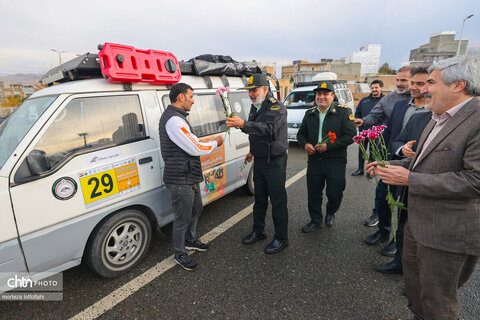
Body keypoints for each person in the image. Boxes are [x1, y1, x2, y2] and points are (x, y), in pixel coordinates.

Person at [369, 55, 480, 320]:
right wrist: (392, 164)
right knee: (416, 291)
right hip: (417, 225)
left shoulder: (476, 120)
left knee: (437, 302)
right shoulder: (438, 115)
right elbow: (424, 159)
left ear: (458, 85)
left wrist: (410, 179)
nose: (423, 88)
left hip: (447, 234)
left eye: (431, 82)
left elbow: (475, 181)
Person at [159, 83, 224, 271]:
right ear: (181, 97)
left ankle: (190, 240)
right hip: (180, 178)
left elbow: (191, 143)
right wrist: (215, 142)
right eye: (191, 96)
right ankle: (180, 253)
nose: (193, 101)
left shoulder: (177, 118)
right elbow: (195, 147)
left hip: (188, 175)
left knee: (196, 209)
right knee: (182, 218)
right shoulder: (174, 121)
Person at [365, 68, 428, 253]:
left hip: (417, 170)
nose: (411, 86)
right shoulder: (401, 105)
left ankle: (398, 243)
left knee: (405, 209)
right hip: (393, 161)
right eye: (399, 80)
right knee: (384, 199)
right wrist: (396, 151)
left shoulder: (434, 110)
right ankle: (383, 231)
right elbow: (390, 133)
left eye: (419, 83)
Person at [226, 73, 289, 254]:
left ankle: (281, 238)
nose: (251, 94)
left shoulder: (277, 108)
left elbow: (269, 130)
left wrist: (244, 123)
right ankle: (258, 231)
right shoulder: (256, 107)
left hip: (275, 161)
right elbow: (255, 132)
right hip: (260, 159)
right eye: (249, 91)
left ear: (264, 89)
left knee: (277, 201)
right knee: (259, 199)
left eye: (254, 90)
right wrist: (252, 149)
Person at [296, 81, 356, 233]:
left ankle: (331, 211)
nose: (321, 97)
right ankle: (315, 220)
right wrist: (305, 145)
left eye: (325, 94)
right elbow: (301, 134)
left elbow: (350, 136)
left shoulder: (344, 112)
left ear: (332, 96)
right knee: (314, 194)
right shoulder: (310, 113)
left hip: (335, 161)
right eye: (319, 94)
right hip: (315, 161)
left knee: (335, 193)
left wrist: (328, 146)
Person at [355, 67, 412, 227]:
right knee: (383, 192)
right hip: (392, 152)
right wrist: (364, 121)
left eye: (404, 80)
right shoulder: (391, 99)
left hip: (416, 155)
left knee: (408, 199)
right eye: (398, 80)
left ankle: (400, 236)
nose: (400, 84)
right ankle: (380, 222)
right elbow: (376, 114)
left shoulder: (426, 100)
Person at [352, 80, 384, 178]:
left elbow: (388, 117)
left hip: (376, 133)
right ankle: (360, 169)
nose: (374, 89)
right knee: (362, 151)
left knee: (373, 152)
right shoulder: (364, 100)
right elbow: (357, 113)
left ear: (381, 88)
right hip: (363, 131)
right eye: (372, 88)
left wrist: (381, 129)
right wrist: (359, 122)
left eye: (376, 87)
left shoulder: (385, 101)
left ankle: (370, 171)